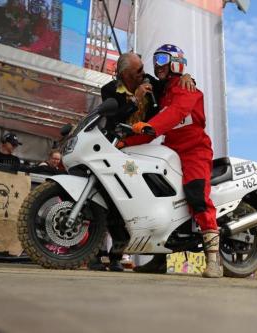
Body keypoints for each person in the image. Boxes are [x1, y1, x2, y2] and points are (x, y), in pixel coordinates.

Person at [88, 52, 195, 272]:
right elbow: (115, 118)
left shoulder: (151, 83)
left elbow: (172, 84)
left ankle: (157, 253)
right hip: (116, 147)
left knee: (144, 197)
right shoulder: (109, 90)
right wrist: (136, 99)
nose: (144, 73)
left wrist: (189, 78)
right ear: (125, 74)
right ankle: (104, 255)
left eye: (143, 68)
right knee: (110, 200)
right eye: (138, 70)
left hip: (144, 146)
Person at [122, 44, 222, 278]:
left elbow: (174, 113)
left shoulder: (187, 89)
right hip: (171, 149)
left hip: (195, 149)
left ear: (176, 61)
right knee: (158, 197)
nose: (158, 64)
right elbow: (155, 127)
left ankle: (214, 261)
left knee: (197, 195)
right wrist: (123, 143)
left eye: (163, 58)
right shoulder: (162, 92)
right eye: (155, 59)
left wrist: (151, 126)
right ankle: (159, 260)